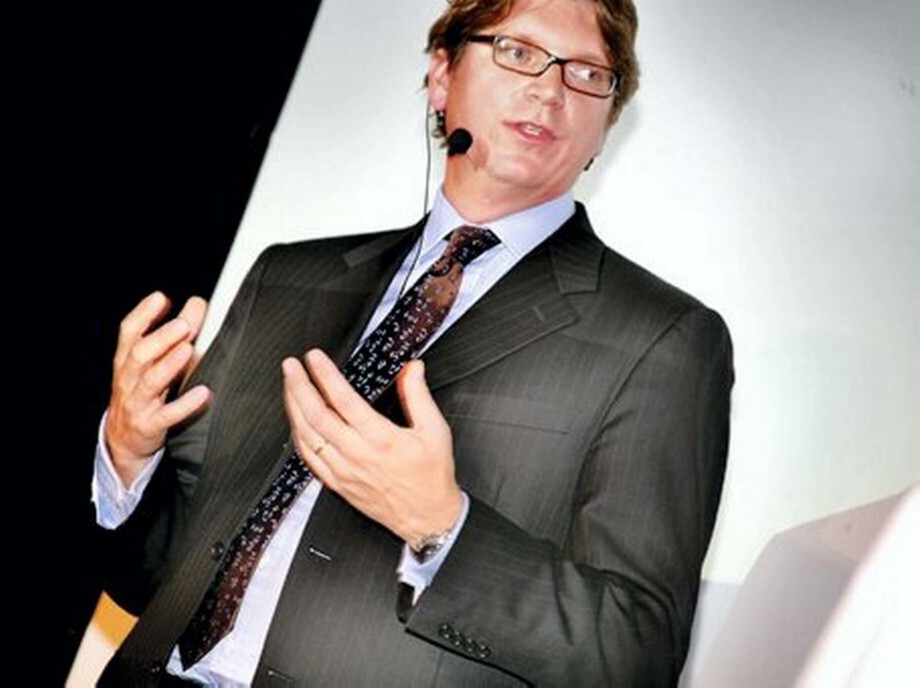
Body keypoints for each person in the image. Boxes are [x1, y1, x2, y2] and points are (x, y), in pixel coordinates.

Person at [93, 0, 734, 685]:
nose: (550, 89)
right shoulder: (287, 277)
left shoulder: (664, 339)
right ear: (442, 76)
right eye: (518, 52)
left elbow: (637, 655)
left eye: (587, 73)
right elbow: (150, 578)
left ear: (606, 122)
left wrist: (443, 528)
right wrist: (128, 457)